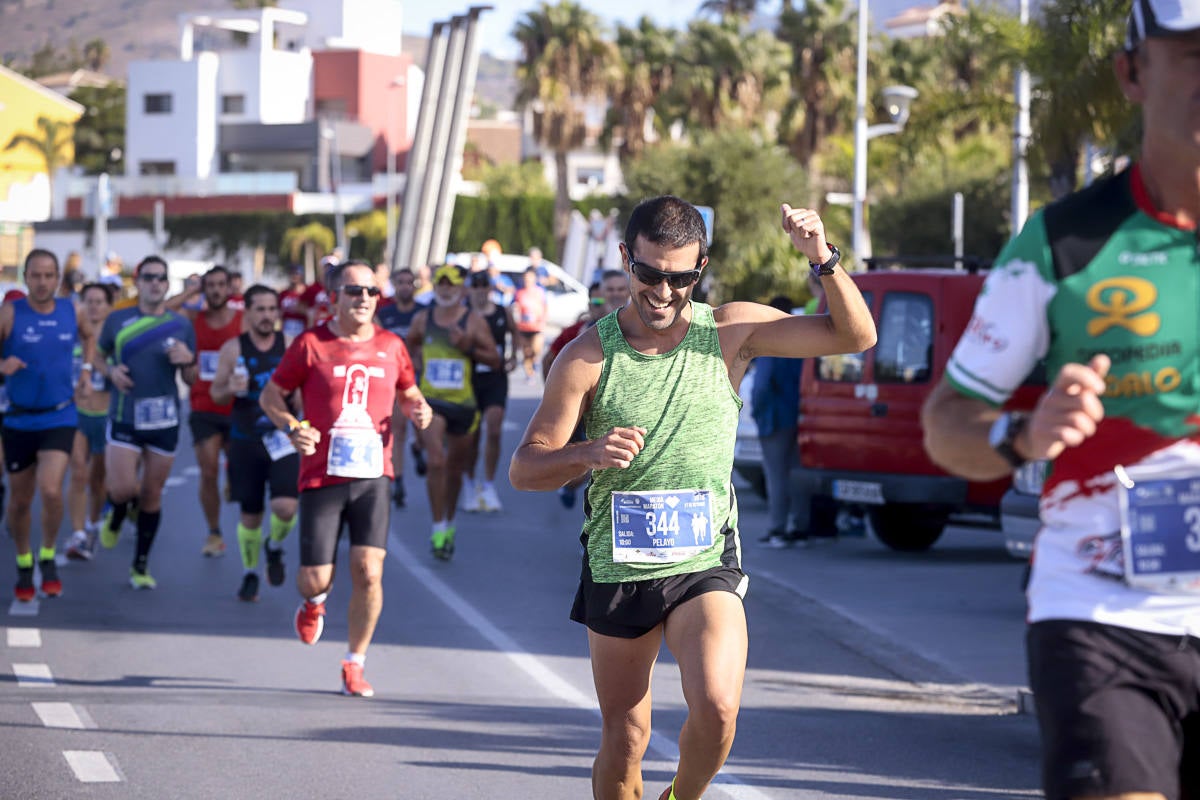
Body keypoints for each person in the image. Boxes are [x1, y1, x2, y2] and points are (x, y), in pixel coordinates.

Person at [921, 5, 1200, 799]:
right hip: (1105, 613)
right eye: (1192, 54)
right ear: (1134, 72)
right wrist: (1022, 432)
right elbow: (947, 423)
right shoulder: (1062, 243)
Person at [509, 195, 874, 800]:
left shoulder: (731, 332)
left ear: (700, 269)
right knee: (626, 737)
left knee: (719, 708)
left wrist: (823, 259)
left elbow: (855, 336)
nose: (662, 291)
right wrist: (586, 454)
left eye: (680, 278)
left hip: (703, 564)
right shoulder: (585, 357)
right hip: (619, 568)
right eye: (650, 273)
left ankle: (682, 795)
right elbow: (525, 468)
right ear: (627, 259)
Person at [260, 260, 432, 697]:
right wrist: (292, 427)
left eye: (371, 292)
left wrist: (419, 408)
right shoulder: (310, 344)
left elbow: (409, 391)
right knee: (316, 577)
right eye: (354, 292)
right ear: (334, 297)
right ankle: (313, 603)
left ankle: (354, 662)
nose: (363, 299)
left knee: (369, 571)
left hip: (374, 474)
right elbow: (271, 395)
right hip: (321, 475)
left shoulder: (392, 345)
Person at [94, 255, 197, 589]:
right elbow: (96, 354)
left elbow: (193, 378)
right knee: (122, 488)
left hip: (164, 420)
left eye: (161, 278)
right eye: (148, 277)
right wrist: (110, 371)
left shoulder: (180, 325)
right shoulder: (118, 320)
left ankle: (140, 566)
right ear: (137, 283)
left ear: (167, 285)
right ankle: (119, 512)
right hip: (125, 415)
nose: (155, 283)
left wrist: (188, 360)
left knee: (152, 495)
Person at [0, 249, 96, 600]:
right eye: (36, 275)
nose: (43, 283)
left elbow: (89, 336)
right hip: (19, 418)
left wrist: (85, 371)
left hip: (60, 414)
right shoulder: (10, 313)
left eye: (49, 275)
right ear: (25, 278)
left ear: (58, 278)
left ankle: (48, 555)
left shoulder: (73, 310)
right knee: (20, 501)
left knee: (52, 489)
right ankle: (25, 561)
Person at [210, 285, 299, 603]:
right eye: (260, 310)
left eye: (272, 309)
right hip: (245, 441)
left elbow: (303, 396)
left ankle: (273, 547)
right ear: (247, 313)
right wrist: (231, 389)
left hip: (283, 439)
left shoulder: (290, 346)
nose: (267, 316)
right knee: (251, 515)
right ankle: (250, 573)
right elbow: (215, 394)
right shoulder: (234, 348)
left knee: (286, 507)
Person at [406, 264, 499, 559]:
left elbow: (495, 360)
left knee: (455, 470)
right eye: (441, 284)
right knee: (437, 462)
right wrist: (416, 366)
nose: (446, 289)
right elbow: (409, 349)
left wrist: (468, 347)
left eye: (452, 285)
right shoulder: (423, 320)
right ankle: (437, 527)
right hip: (433, 402)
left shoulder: (473, 322)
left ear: (461, 289)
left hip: (464, 405)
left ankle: (448, 522)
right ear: (434, 287)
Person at [183, 266, 244, 557]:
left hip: (237, 407)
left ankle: (234, 474)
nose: (217, 290)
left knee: (239, 471)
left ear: (230, 288)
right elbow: (160, 313)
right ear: (204, 289)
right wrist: (190, 292)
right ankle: (214, 532)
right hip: (203, 405)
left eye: (222, 285)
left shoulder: (243, 322)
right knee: (208, 472)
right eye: (211, 286)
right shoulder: (193, 321)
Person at [64, 282, 116, 561]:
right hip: (76, 413)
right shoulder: (72, 335)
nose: (94, 306)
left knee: (98, 481)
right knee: (78, 473)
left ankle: (94, 524)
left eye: (100, 301)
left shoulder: (114, 338)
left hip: (105, 415)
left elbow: (122, 374)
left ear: (109, 306)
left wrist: (99, 362)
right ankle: (78, 533)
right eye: (89, 301)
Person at [750, 296, 807, 548]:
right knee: (797, 474)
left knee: (776, 476)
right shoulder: (802, 340)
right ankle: (801, 527)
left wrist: (757, 413)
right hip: (799, 416)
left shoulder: (770, 341)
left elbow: (762, 385)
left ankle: (778, 529)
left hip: (774, 419)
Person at [461, 268, 516, 513]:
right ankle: (469, 484)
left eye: (485, 286)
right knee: (470, 438)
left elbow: (515, 333)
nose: (481, 291)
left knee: (494, 429)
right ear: (470, 289)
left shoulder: (502, 312)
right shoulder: (463, 314)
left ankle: (489, 484)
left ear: (490, 289)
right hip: (469, 378)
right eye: (476, 286)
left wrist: (514, 356)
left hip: (495, 377)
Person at [375, 268, 426, 508]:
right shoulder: (384, 315)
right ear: (394, 285)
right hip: (396, 380)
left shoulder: (423, 314)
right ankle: (399, 482)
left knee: (425, 430)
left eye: (409, 282)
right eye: (401, 282)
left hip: (423, 378)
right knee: (399, 429)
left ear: (415, 285)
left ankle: (419, 448)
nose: (405, 286)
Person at [512, 266, 548, 383]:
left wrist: (543, 320)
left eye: (530, 278)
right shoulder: (519, 292)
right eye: (525, 278)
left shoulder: (540, 291)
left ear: (534, 278)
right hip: (523, 327)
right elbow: (514, 306)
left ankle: (535, 360)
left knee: (536, 349)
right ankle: (530, 374)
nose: (527, 280)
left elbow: (545, 306)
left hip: (536, 326)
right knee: (526, 352)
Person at [279, 264, 309, 339]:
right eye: (291, 273)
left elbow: (310, 311)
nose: (294, 276)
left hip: (302, 326)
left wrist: (300, 309)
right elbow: (279, 313)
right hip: (287, 326)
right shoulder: (283, 293)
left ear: (301, 276)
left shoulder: (307, 292)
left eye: (296, 273)